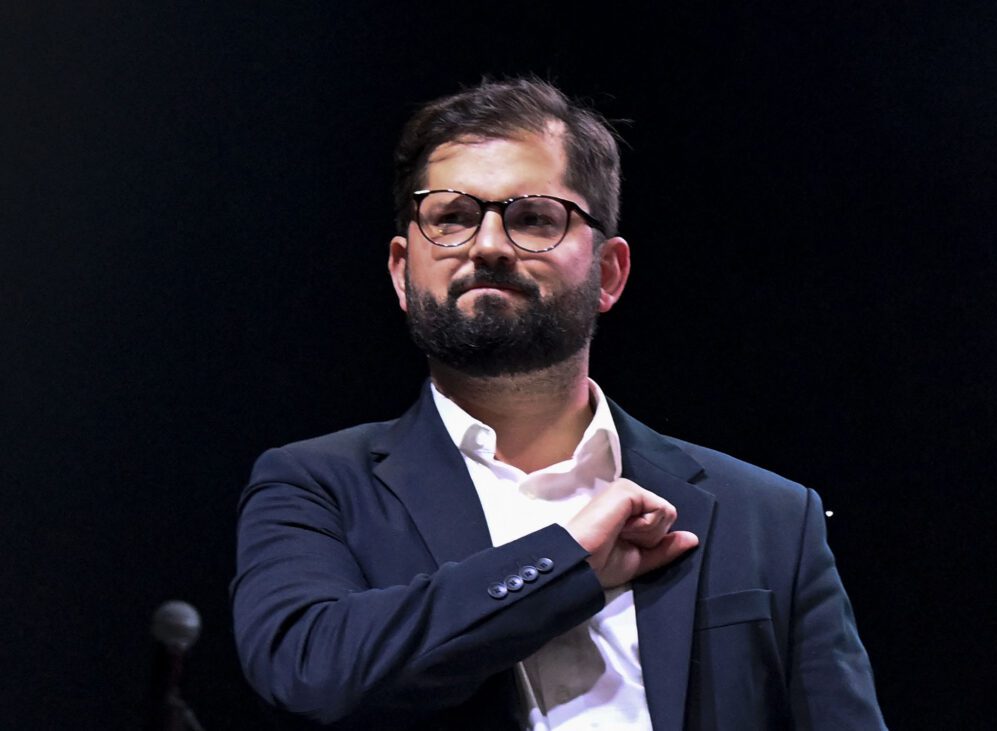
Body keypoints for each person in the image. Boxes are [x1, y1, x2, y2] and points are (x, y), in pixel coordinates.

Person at [231, 77, 886, 730]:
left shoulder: (769, 515)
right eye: (451, 216)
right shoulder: (317, 486)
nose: (487, 244)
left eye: (535, 217)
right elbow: (307, 670)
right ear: (403, 271)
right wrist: (563, 560)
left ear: (608, 273)